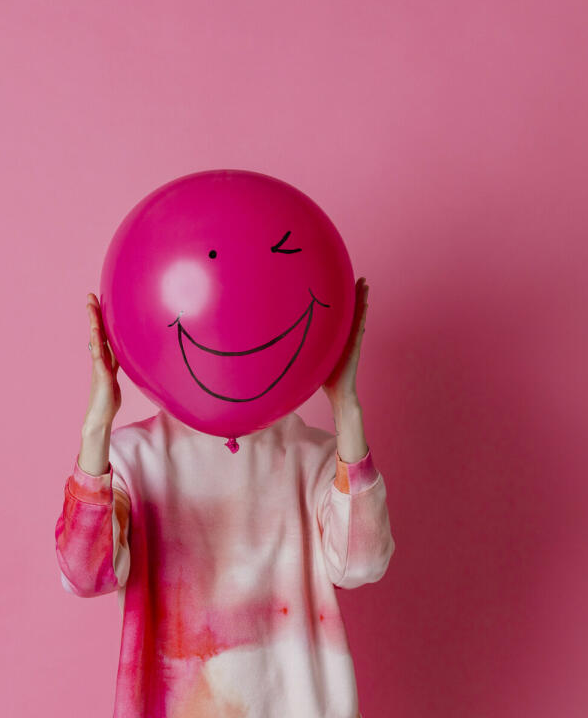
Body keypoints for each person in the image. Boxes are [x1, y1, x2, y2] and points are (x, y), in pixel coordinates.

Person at [55, 276, 394, 718]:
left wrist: (346, 406)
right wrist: (96, 424)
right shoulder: (130, 459)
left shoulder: (318, 456)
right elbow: (84, 575)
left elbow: (361, 564)